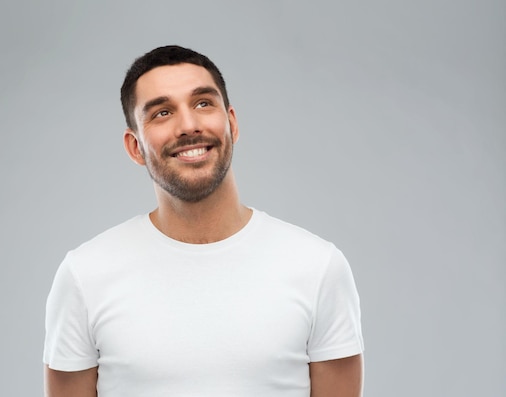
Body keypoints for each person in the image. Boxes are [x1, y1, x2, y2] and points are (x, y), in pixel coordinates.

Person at [43, 45, 364, 397]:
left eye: (203, 103)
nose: (189, 125)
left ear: (232, 123)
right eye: (162, 112)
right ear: (135, 147)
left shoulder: (318, 267)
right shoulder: (85, 275)